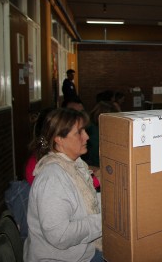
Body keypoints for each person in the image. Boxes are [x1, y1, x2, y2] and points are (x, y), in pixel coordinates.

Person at [24, 108, 103, 262]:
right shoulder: (52, 178)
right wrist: (106, 220)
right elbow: (60, 236)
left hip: (82, 252)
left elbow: (84, 202)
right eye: (79, 132)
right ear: (59, 139)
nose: (86, 136)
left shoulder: (73, 166)